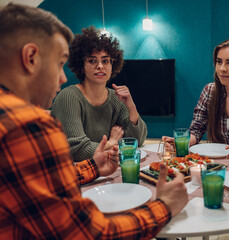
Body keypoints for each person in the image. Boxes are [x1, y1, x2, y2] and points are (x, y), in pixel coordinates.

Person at [0, 4, 187, 239]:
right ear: (30, 57)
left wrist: (93, 166)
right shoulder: (28, 126)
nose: (61, 79)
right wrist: (164, 206)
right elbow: (88, 232)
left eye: (105, 60)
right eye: (59, 64)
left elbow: (46, 184)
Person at [51, 26, 147, 162]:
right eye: (92, 60)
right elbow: (76, 150)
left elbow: (138, 140)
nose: (100, 66)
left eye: (105, 60)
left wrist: (131, 107)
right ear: (81, 65)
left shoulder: (116, 98)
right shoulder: (69, 97)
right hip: (74, 176)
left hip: (105, 172)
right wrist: (112, 142)